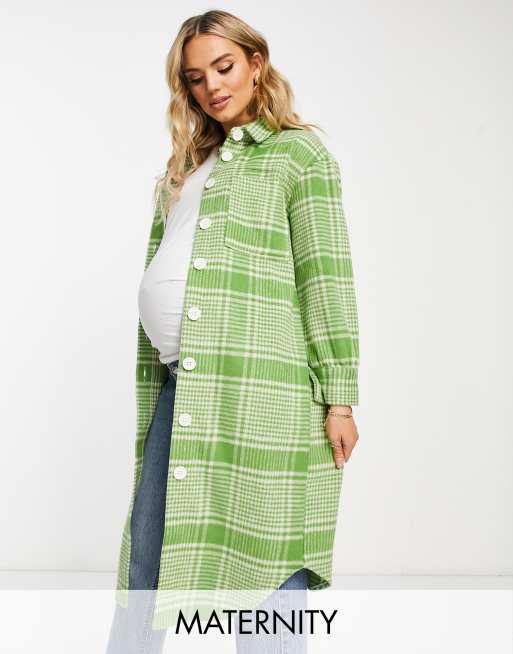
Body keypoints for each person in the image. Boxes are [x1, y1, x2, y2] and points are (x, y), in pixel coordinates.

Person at [106, 8, 360, 653]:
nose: (212, 86)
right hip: (181, 387)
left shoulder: (299, 156)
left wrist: (339, 397)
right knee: (149, 560)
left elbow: (325, 276)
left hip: (261, 390)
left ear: (255, 63)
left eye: (223, 67)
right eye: (195, 78)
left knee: (266, 557)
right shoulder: (188, 165)